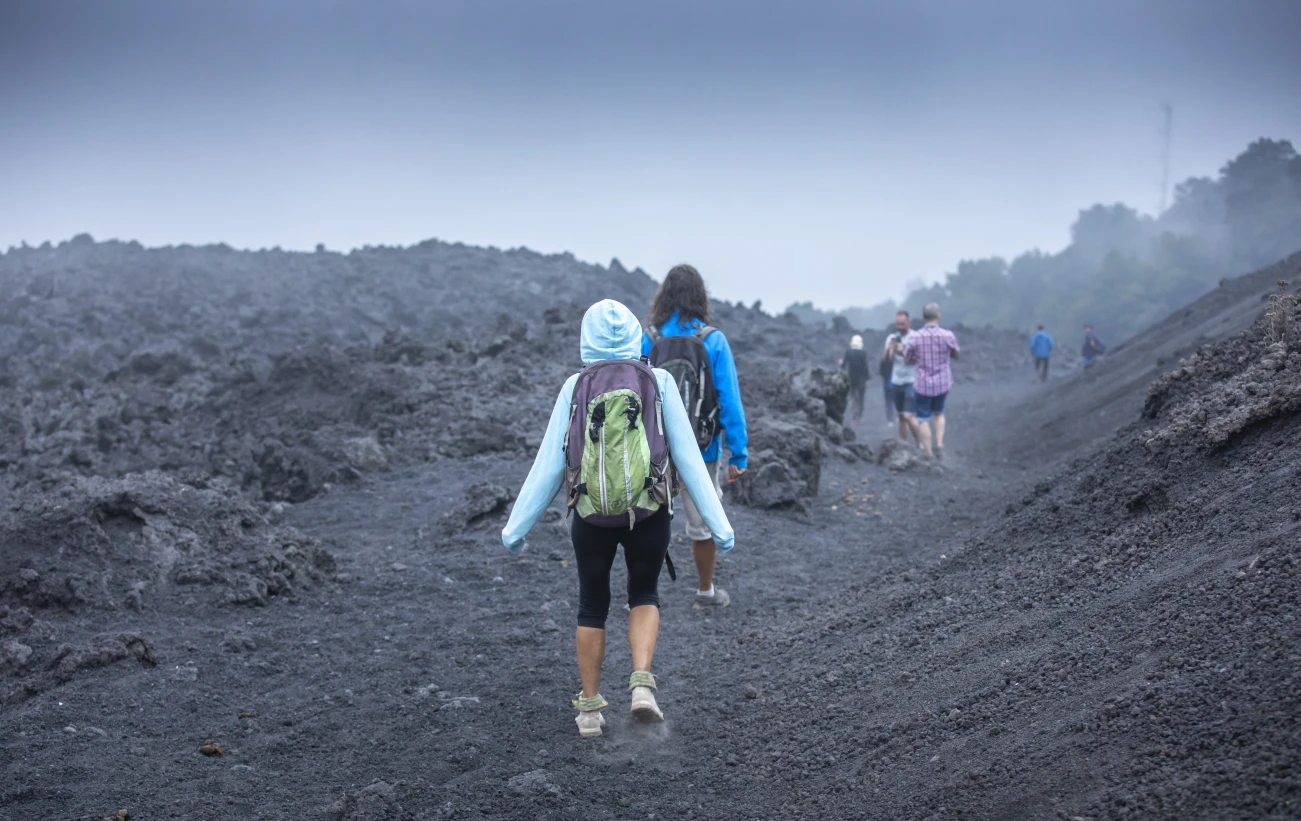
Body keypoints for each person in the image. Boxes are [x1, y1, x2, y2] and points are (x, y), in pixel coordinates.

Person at [502, 299, 734, 737]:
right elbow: (687, 457)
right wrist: (719, 527)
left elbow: (548, 467)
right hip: (648, 511)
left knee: (592, 604)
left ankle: (590, 710)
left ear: (586, 340)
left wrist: (515, 529)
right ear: (634, 337)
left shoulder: (575, 386)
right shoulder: (659, 380)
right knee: (644, 592)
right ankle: (642, 687)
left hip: (590, 516)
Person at [642, 264, 748, 609]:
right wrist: (739, 453)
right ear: (701, 296)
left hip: (654, 447)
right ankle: (705, 591)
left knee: (648, 521)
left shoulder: (650, 338)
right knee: (702, 523)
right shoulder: (712, 340)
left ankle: (640, 598)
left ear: (665, 295)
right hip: (702, 449)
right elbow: (729, 399)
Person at [903, 302, 960, 460]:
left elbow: (907, 358)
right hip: (942, 382)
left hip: (922, 384)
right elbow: (956, 354)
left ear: (923, 317)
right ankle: (940, 444)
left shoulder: (915, 337)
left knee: (922, 419)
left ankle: (928, 453)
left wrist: (916, 360)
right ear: (938, 315)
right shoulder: (947, 335)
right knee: (939, 413)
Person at [882, 310, 921, 446]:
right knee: (900, 416)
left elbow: (917, 360)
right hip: (897, 381)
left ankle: (921, 443)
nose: (899, 327)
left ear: (909, 322)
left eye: (902, 324)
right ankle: (903, 446)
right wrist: (889, 349)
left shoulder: (915, 338)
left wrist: (903, 351)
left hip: (912, 380)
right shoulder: (892, 337)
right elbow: (886, 360)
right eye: (897, 324)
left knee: (908, 415)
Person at [839, 334, 870, 424]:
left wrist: (840, 364)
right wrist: (867, 378)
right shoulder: (863, 352)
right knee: (861, 397)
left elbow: (844, 365)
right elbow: (865, 366)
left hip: (851, 378)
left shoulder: (848, 351)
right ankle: (860, 416)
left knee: (852, 397)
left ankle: (853, 416)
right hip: (861, 379)